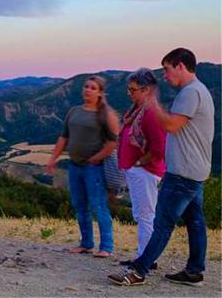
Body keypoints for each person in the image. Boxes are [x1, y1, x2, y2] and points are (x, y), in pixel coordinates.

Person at [108, 48, 214, 287]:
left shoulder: (191, 92)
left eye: (167, 69)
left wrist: (154, 106)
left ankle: (138, 270)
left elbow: (173, 126)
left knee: (162, 222)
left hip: (182, 173)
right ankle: (194, 270)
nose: (164, 75)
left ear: (180, 66)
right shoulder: (199, 91)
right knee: (195, 222)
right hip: (194, 170)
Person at [47, 75, 119, 258]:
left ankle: (106, 246)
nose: (88, 90)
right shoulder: (74, 111)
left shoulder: (106, 115)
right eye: (86, 86)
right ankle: (86, 243)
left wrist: (96, 158)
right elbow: (64, 137)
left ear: (100, 93)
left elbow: (113, 143)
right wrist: (53, 158)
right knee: (79, 205)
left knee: (98, 205)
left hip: (93, 168)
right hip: (74, 165)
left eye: (93, 88)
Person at [117, 68, 166, 268]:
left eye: (133, 89)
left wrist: (140, 163)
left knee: (146, 214)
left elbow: (160, 147)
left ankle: (146, 259)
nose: (129, 93)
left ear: (146, 90)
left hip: (146, 172)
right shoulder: (138, 110)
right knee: (141, 213)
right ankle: (142, 255)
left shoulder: (151, 113)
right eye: (129, 89)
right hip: (138, 171)